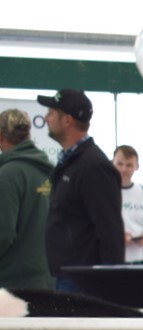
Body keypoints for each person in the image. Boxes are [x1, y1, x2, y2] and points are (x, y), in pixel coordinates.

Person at [37, 88, 122, 291]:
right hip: (66, 275)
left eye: (51, 113)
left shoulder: (93, 167)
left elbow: (110, 229)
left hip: (83, 280)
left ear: (67, 120)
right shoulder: (71, 163)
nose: (46, 118)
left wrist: (111, 284)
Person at [0, 108, 55, 289]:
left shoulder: (8, 174)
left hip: (11, 284)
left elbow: (3, 233)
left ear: (1, 136)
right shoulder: (49, 171)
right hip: (46, 279)